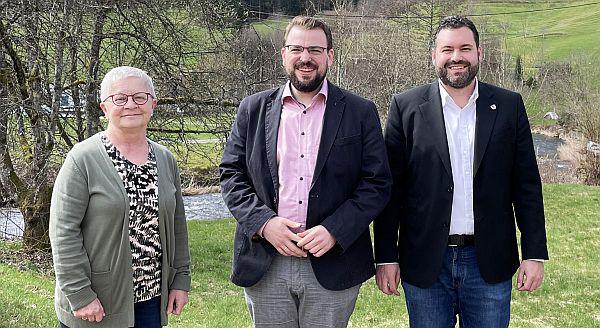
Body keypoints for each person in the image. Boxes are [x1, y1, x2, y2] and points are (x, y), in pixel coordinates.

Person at [374, 15, 549, 327]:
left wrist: (534, 254)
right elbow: (392, 190)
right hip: (425, 262)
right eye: (448, 49)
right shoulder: (406, 106)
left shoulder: (509, 105)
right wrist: (386, 257)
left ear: (480, 53)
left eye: (465, 48)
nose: (456, 57)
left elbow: (527, 187)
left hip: (489, 263)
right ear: (434, 56)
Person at [220, 16, 391, 328]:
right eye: (296, 48)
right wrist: (263, 223)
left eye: (315, 49)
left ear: (329, 55)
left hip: (333, 262)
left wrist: (335, 230)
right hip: (266, 260)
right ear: (284, 54)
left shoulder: (359, 111)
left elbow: (376, 184)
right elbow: (232, 175)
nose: (305, 58)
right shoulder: (253, 109)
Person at [49, 66, 191, 328]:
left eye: (140, 97)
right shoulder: (83, 159)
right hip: (97, 301)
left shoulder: (165, 159)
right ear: (104, 107)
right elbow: (63, 232)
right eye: (120, 98)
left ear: (153, 104)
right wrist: (80, 295)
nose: (131, 105)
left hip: (151, 300)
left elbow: (177, 226)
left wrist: (181, 280)